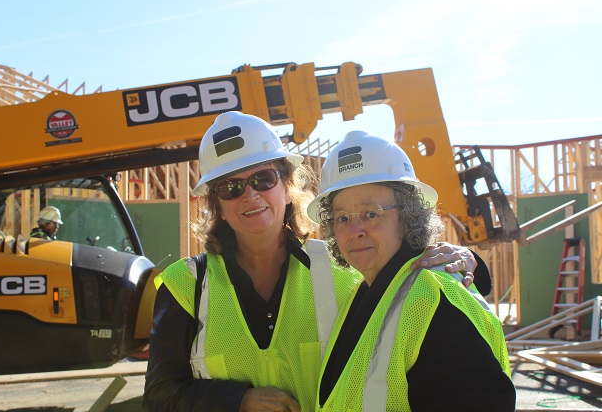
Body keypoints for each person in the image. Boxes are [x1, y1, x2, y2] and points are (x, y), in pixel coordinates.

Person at [144, 111, 490, 412]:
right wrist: (237, 401)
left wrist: (465, 260)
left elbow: (403, 272)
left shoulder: (344, 266)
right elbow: (159, 396)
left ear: (286, 184)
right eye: (230, 187)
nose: (250, 195)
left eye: (262, 180)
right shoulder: (185, 285)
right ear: (216, 203)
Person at [307, 131, 516, 411]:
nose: (354, 231)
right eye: (343, 218)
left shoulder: (434, 298)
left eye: (371, 213)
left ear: (408, 215)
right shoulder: (365, 292)